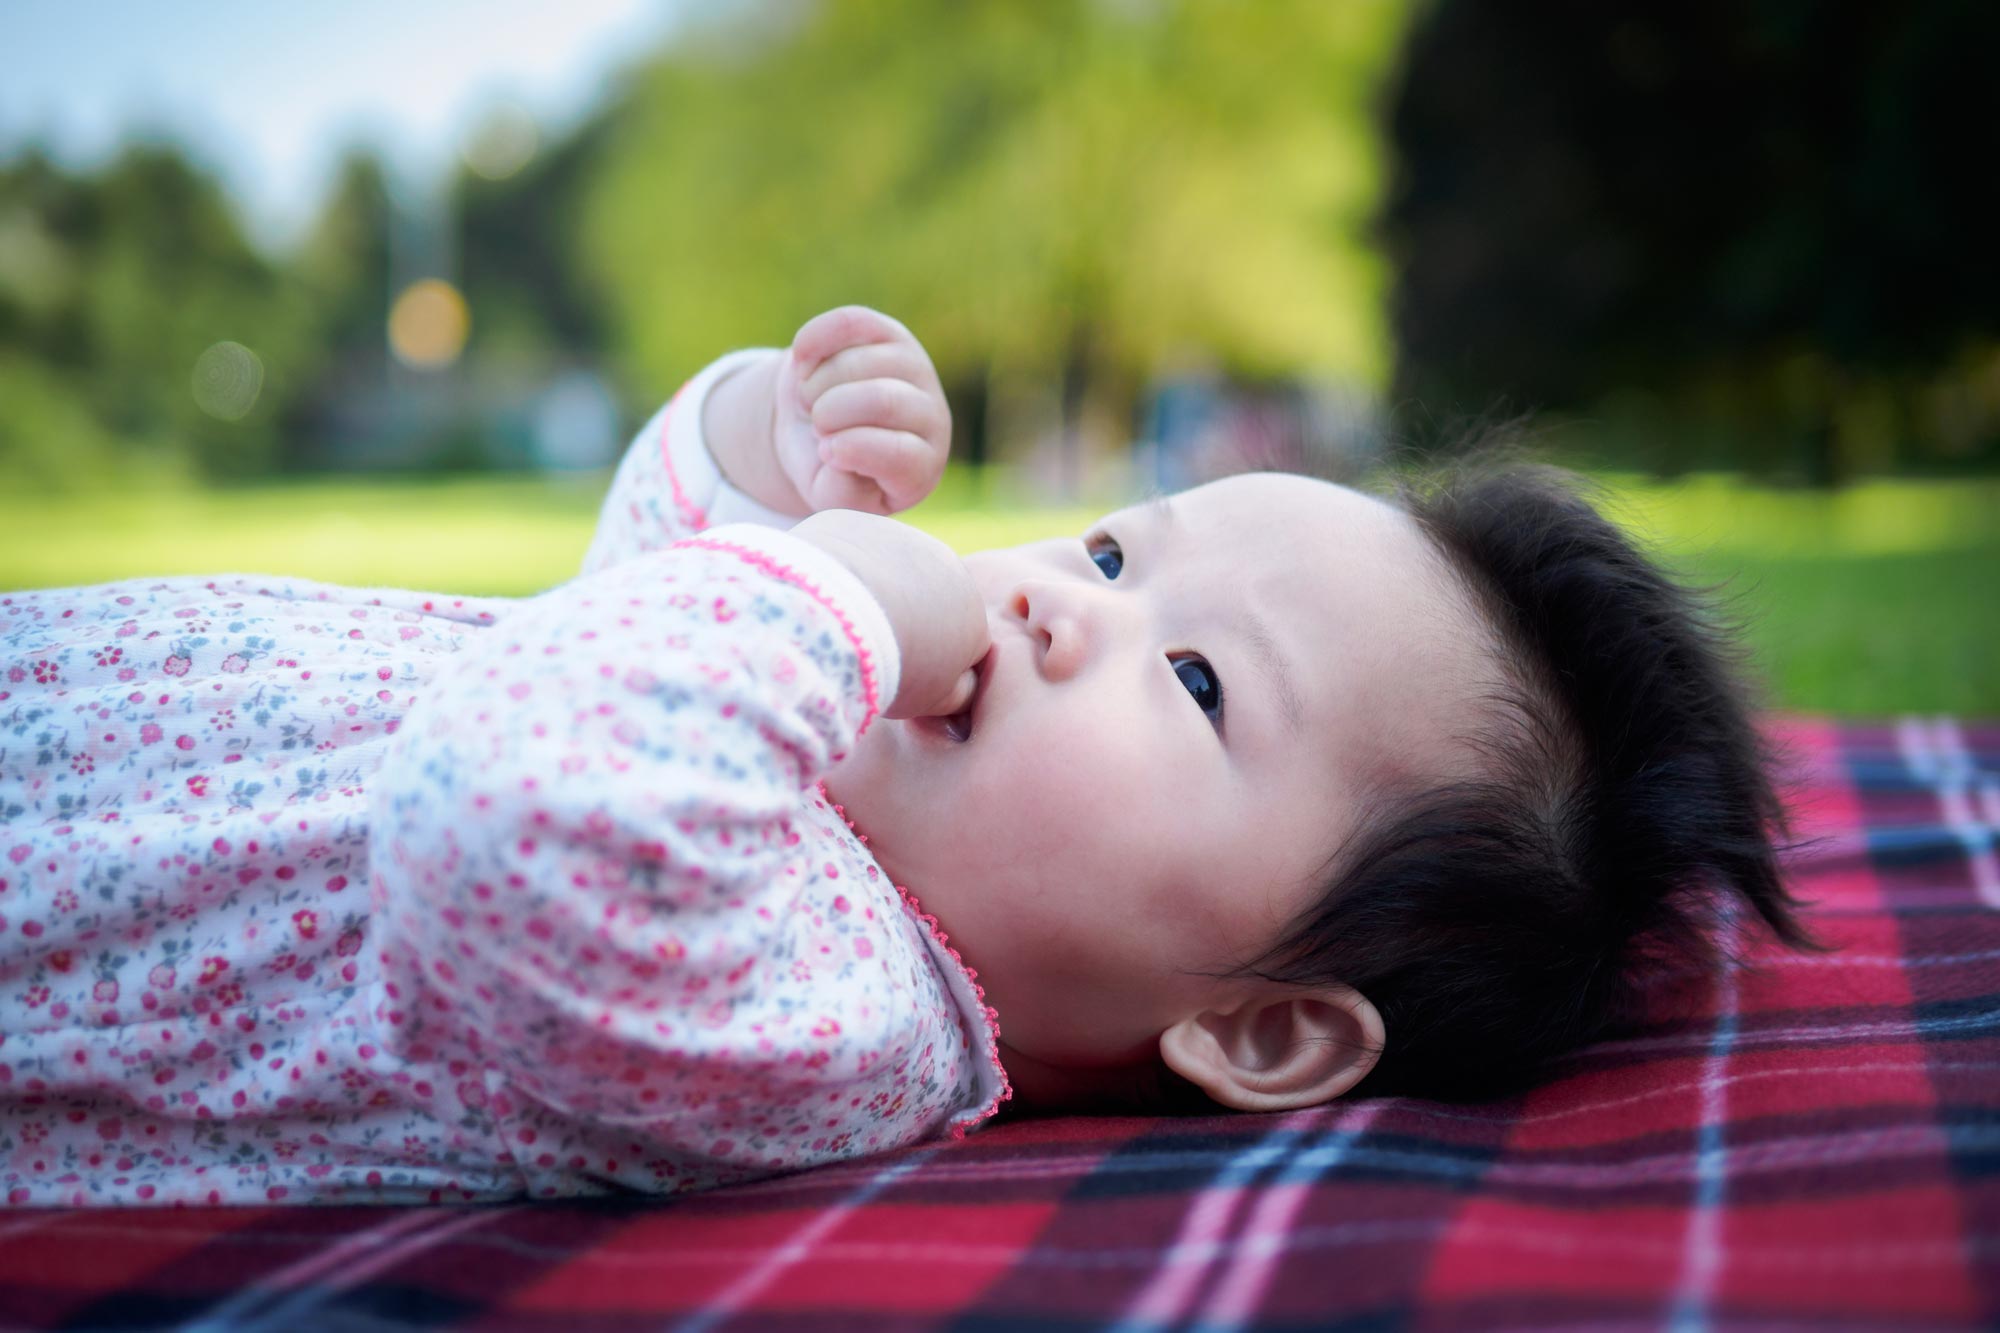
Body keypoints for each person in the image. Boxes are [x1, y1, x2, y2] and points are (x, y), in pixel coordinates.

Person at [0, 307, 1822, 1207]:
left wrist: (838, 586)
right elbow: (640, 575)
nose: (1053, 602)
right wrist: (769, 439)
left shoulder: (837, 1005)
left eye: (1193, 683)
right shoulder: (781, 750)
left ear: (1261, 1027)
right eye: (1113, 548)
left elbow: (508, 815)